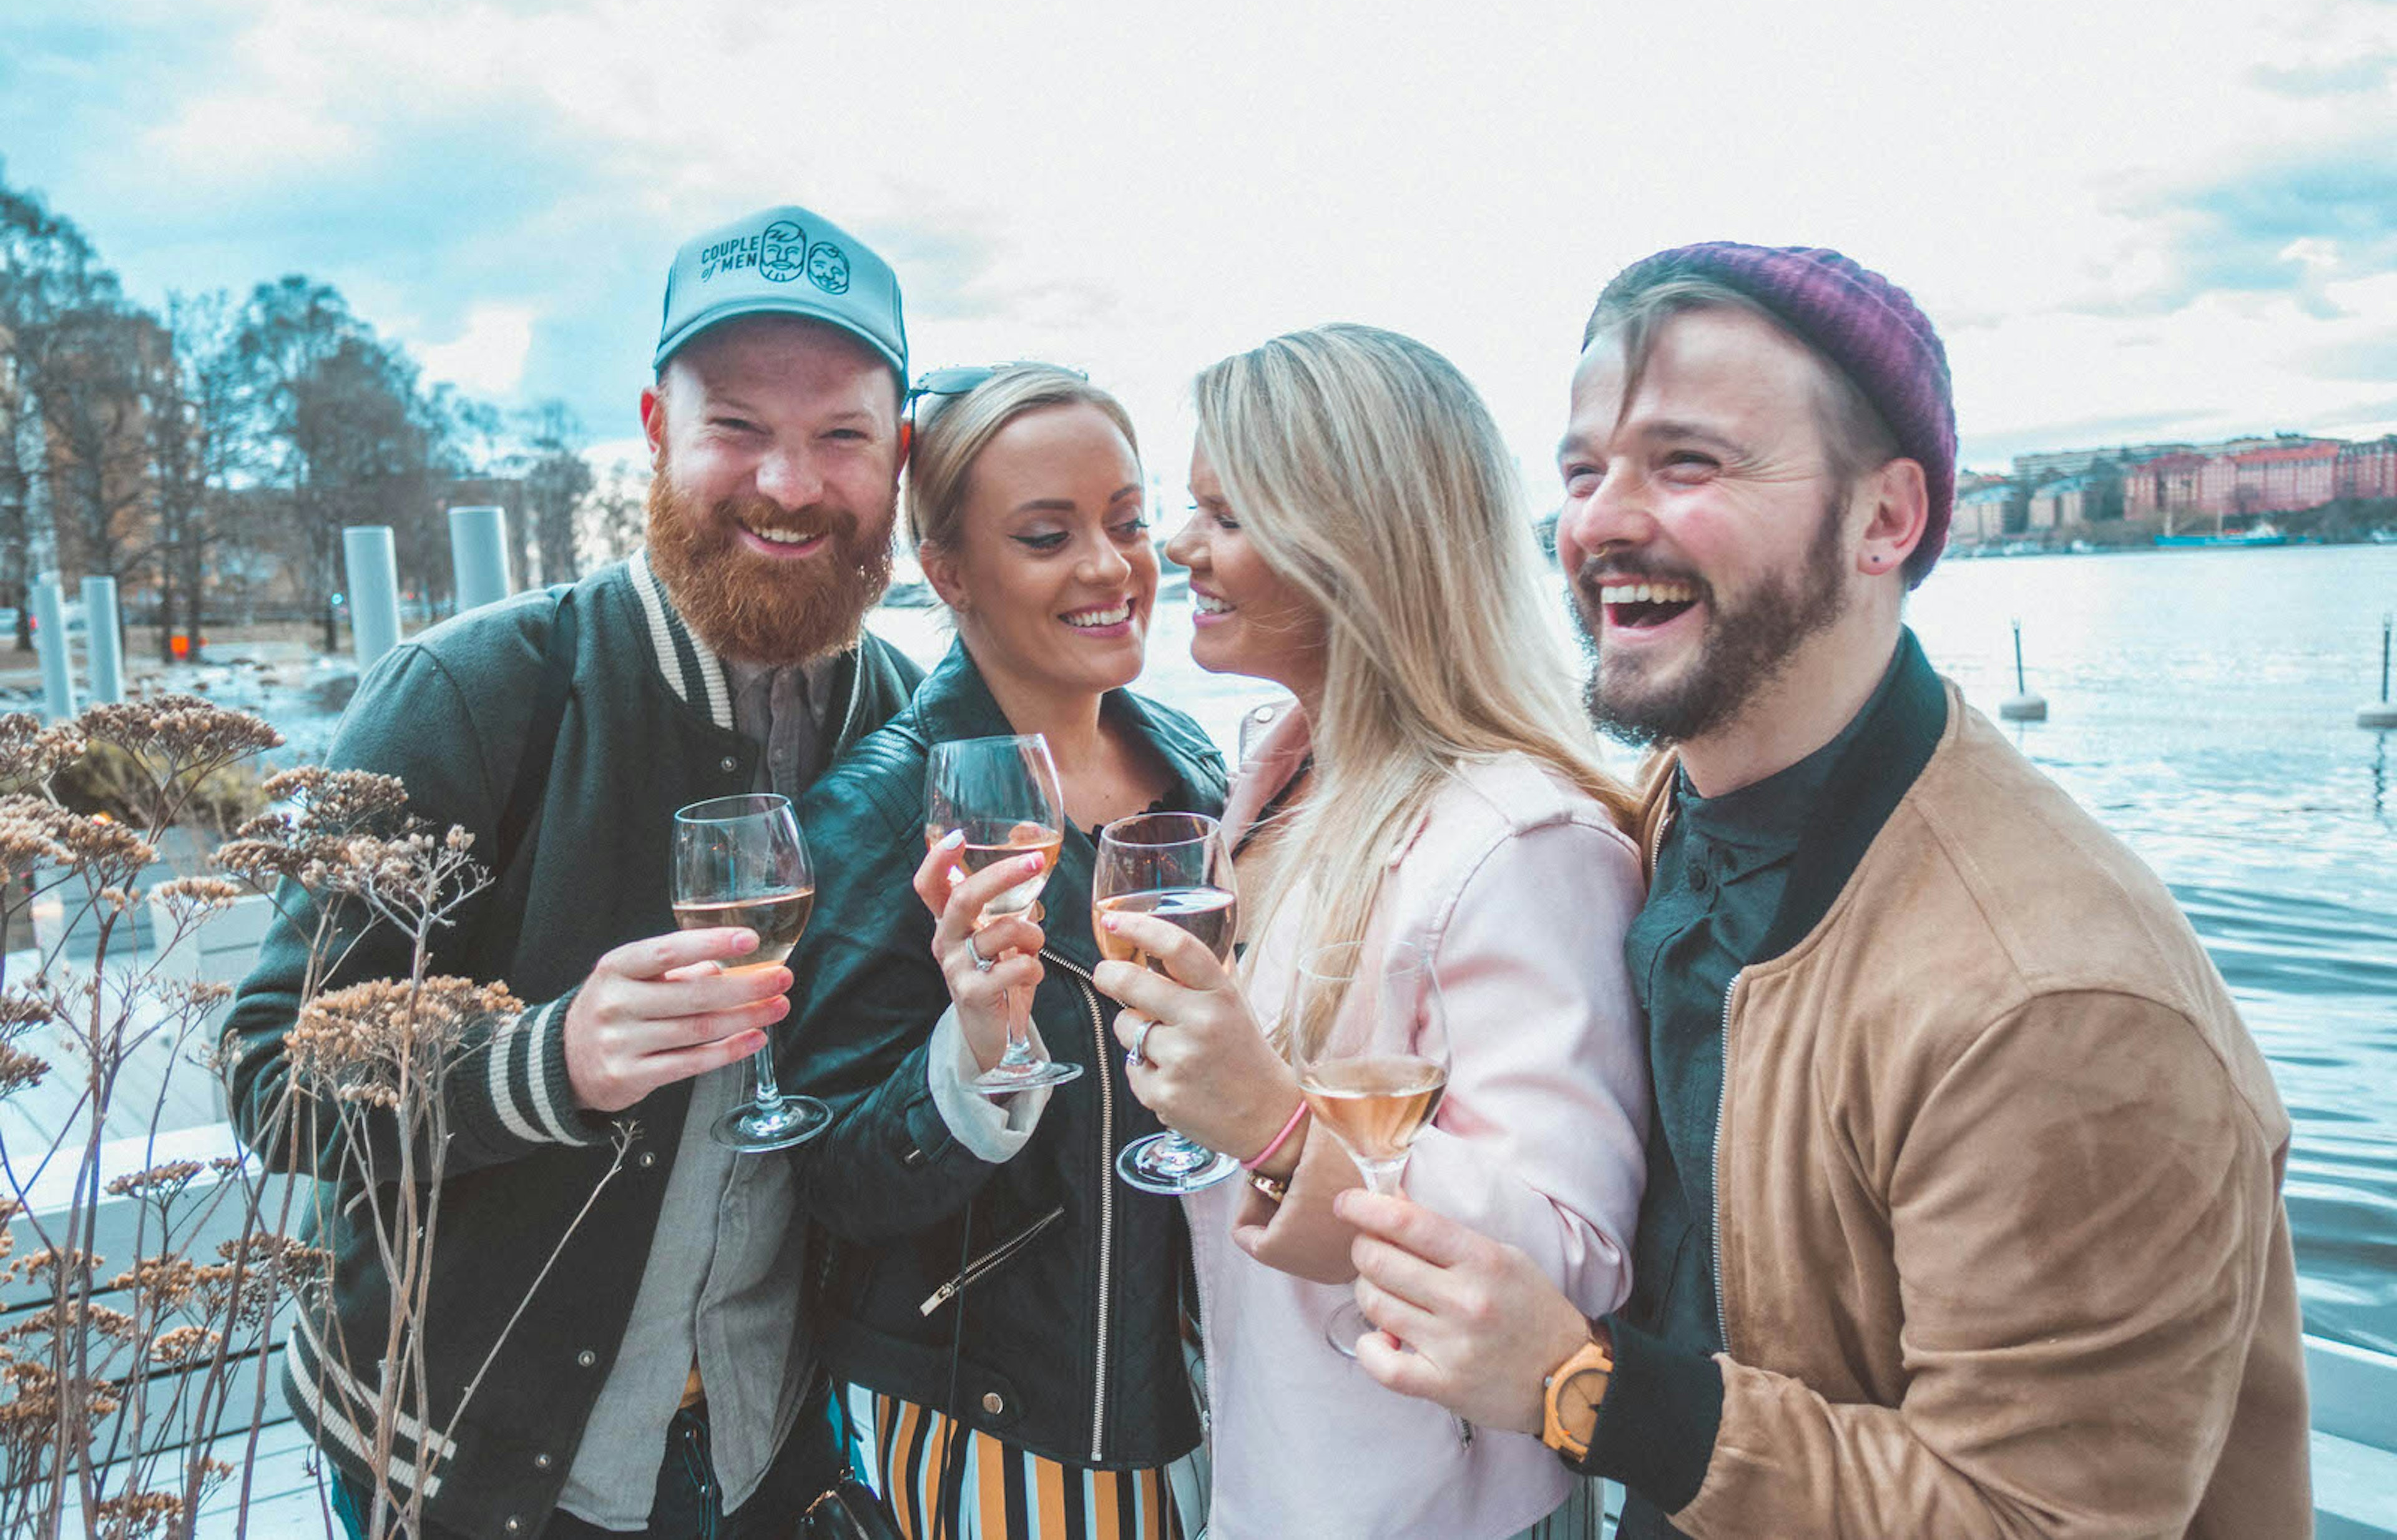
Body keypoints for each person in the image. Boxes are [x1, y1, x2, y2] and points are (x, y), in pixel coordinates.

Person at [1335, 242, 2313, 1538]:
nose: (1602, 520)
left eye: (1689, 464)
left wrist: (1582, 1388)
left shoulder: (2054, 1002)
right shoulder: (1681, 804)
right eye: (1583, 471)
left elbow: (2033, 1518)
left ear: (1886, 518)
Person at [224, 203, 925, 1539]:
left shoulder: (904, 717)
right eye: (737, 427)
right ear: (656, 434)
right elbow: (273, 1077)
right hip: (474, 1458)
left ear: (900, 455)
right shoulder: (471, 692)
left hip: (780, 1433)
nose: (788, 483)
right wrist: (549, 1064)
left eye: (840, 434)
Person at [1091, 324, 1652, 1539]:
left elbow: (1573, 1257)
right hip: (1271, 1453)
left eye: (1227, 515)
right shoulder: (1284, 780)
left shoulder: (1521, 844)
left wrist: (1272, 1124)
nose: (1177, 546)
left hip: (1425, 1505)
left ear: (1353, 545)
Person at [785, 365, 1226, 1537]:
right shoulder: (881, 814)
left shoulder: (1191, 761)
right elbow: (831, 1171)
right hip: (1017, 1423)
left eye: (1129, 523)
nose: (1111, 567)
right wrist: (972, 1050)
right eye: (1047, 535)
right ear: (949, 572)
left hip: (1224, 1391)